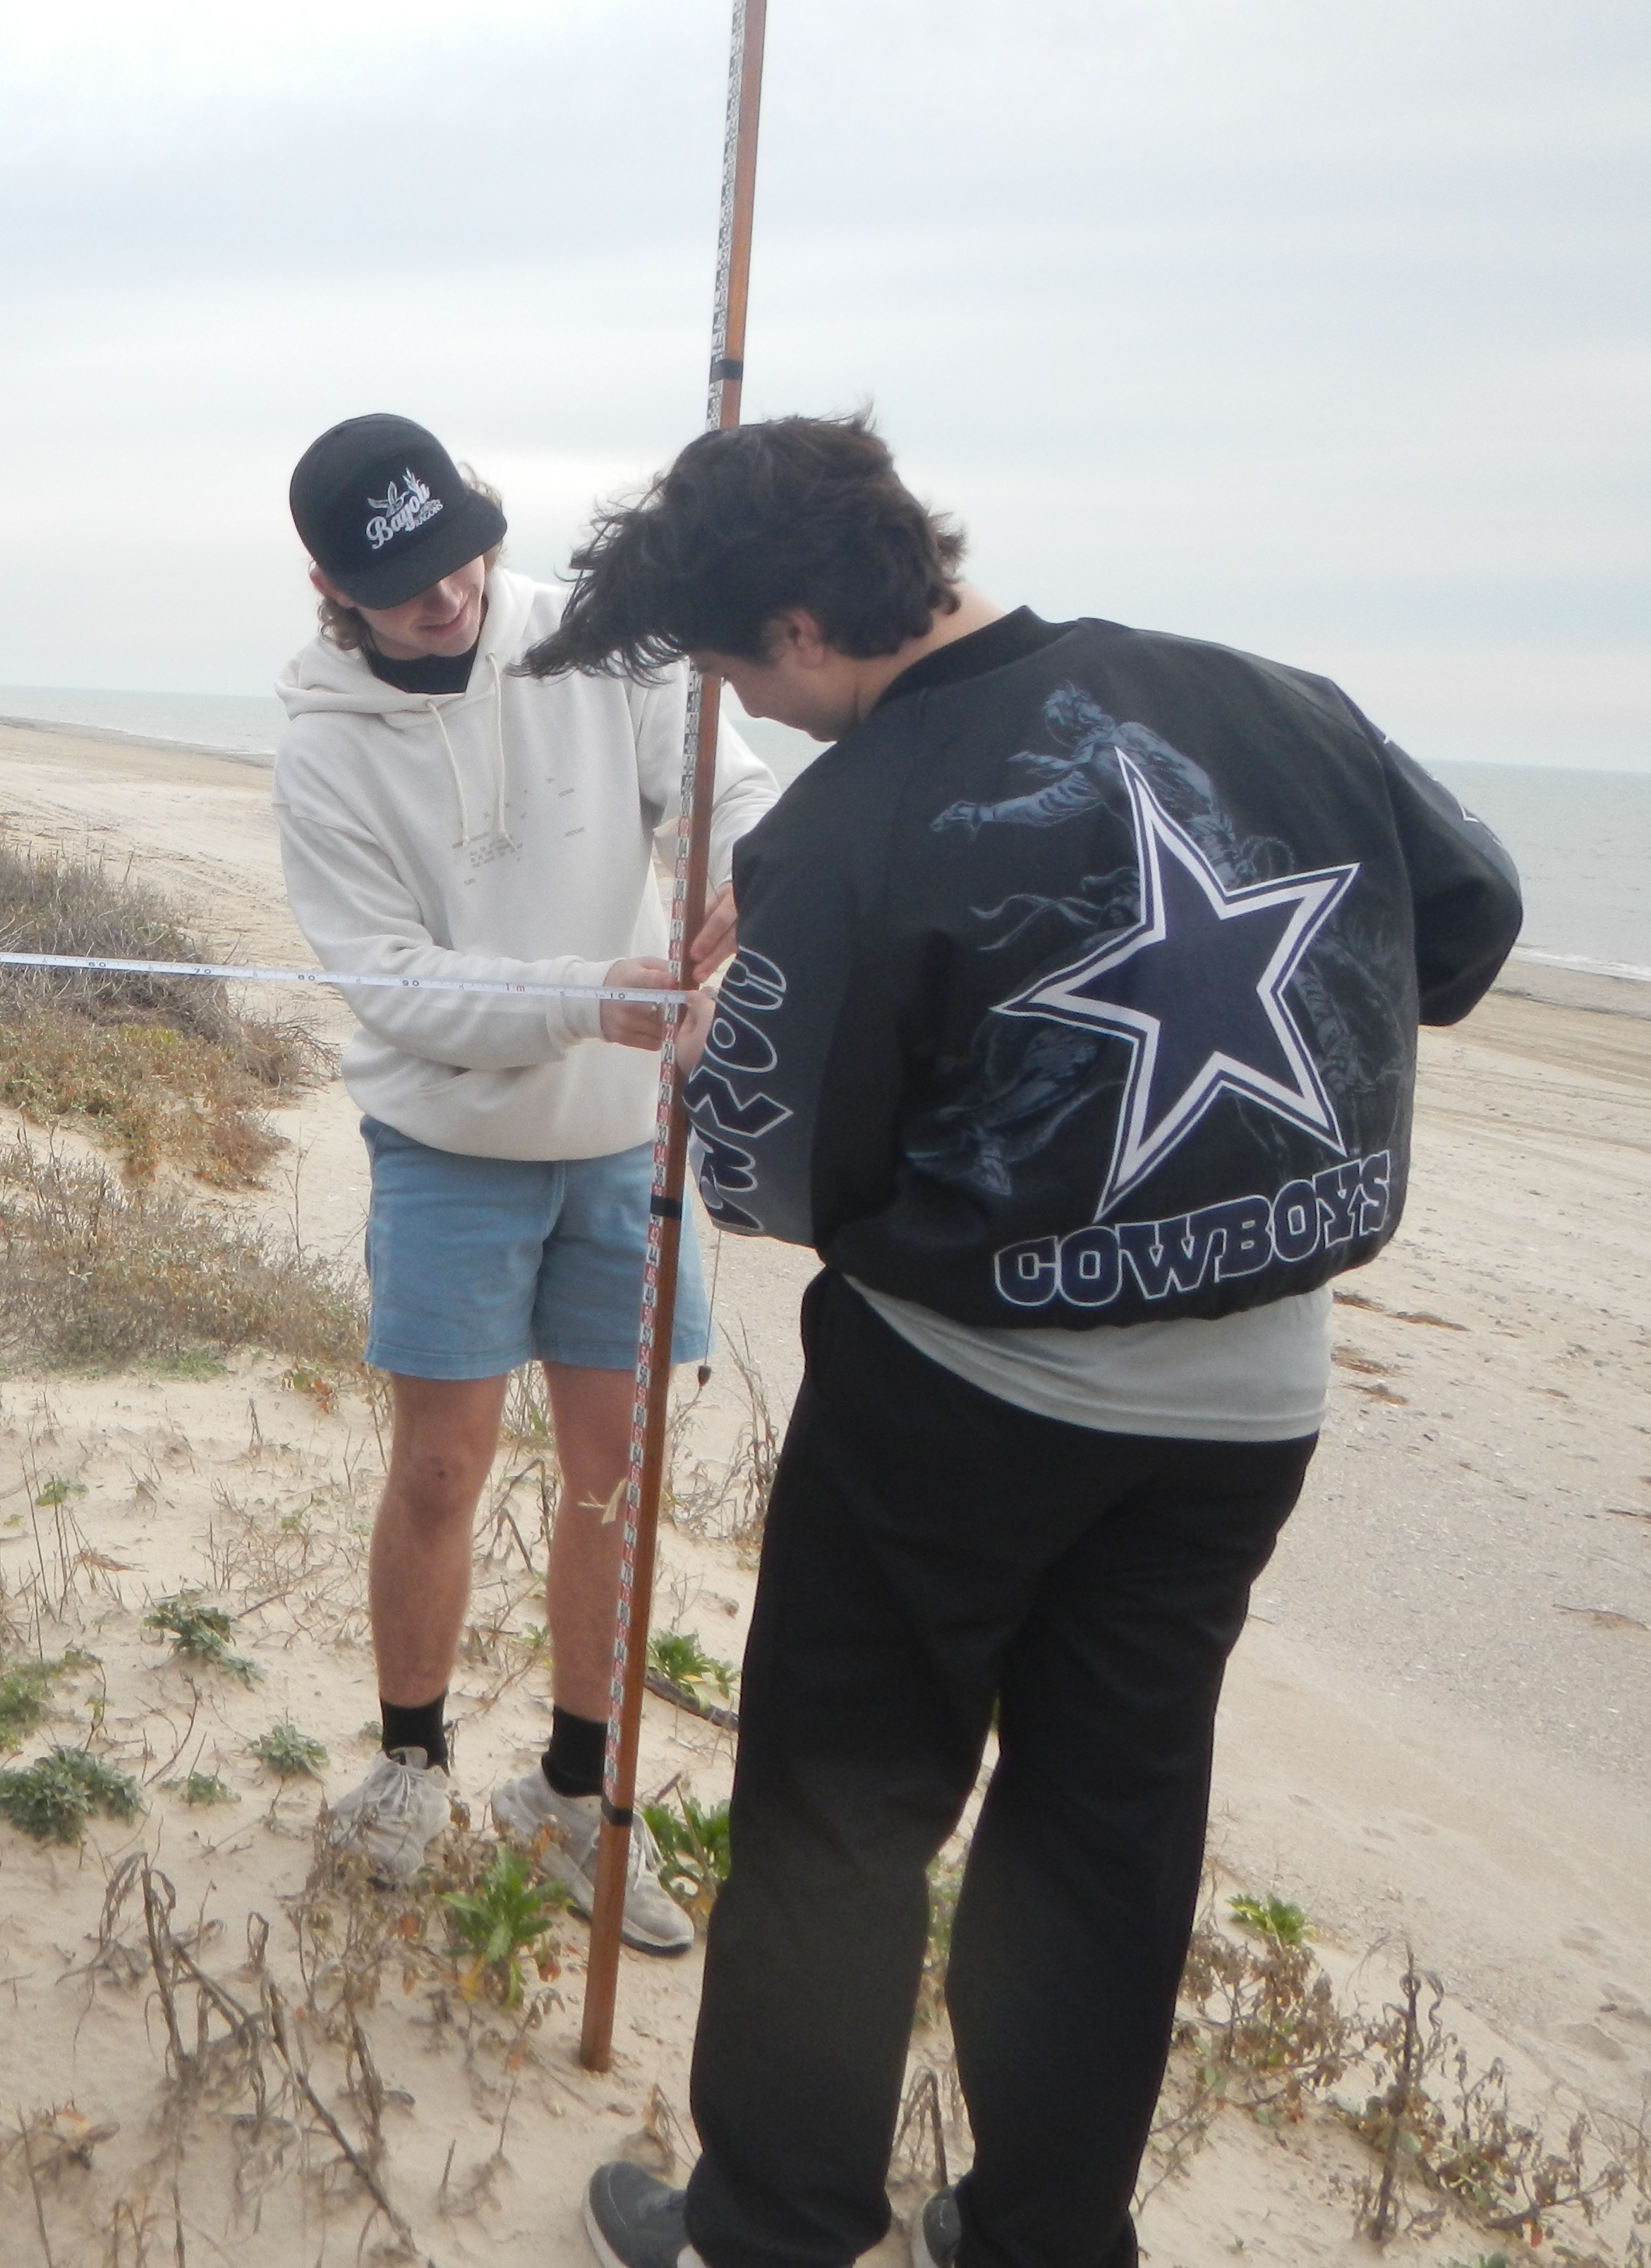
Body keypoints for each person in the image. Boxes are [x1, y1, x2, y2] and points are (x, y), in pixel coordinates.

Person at [533, 414, 1523, 2268]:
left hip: (961, 1409)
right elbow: (1466, 926)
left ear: (809, 624)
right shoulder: (1278, 700)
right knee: (1108, 1818)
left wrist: (714, 1046)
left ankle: (770, 2229)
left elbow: (765, 1172)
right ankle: (1047, 2235)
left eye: (737, 665)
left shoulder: (857, 815)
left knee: (844, 1808)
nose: (746, 705)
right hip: (1252, 1407)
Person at [270, 414, 779, 1950]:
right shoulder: (321, 749)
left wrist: (747, 874)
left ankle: (574, 1791)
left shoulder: (600, 645)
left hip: (629, 1140)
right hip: (449, 1144)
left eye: (464, 553)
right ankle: (412, 1760)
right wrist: (582, 997)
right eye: (406, 580)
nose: (449, 595)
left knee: (612, 1482)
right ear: (332, 589)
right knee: (440, 1469)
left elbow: (724, 788)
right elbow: (400, 985)